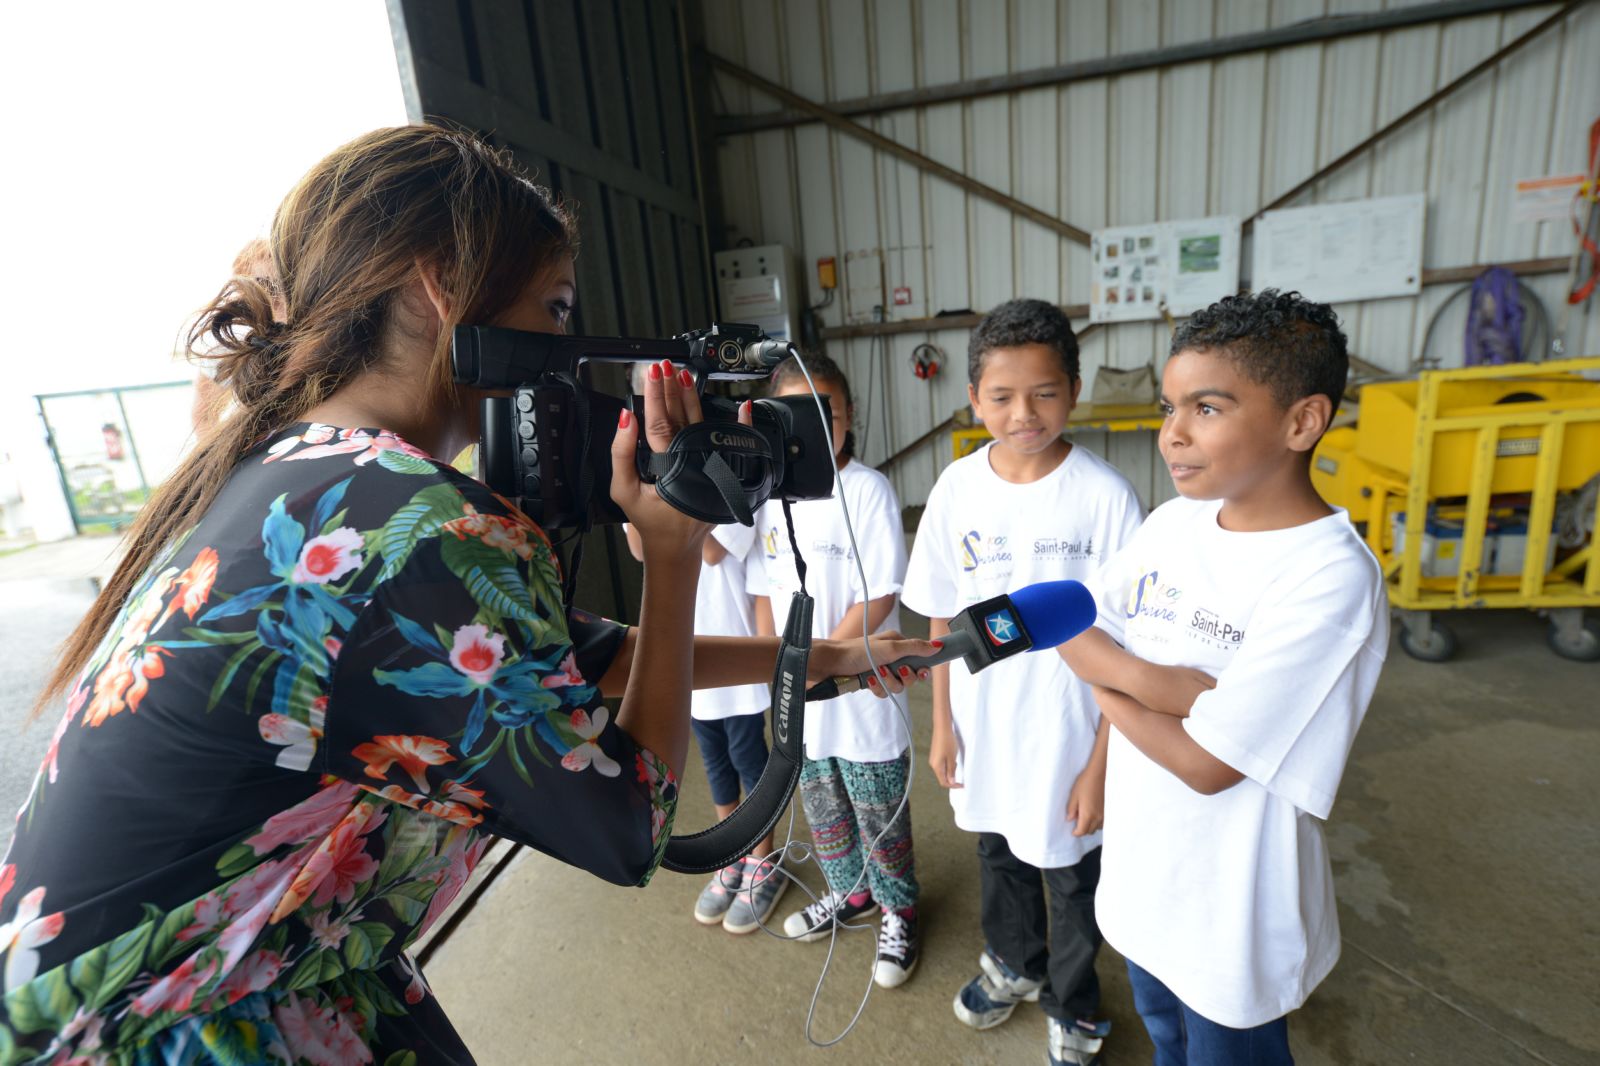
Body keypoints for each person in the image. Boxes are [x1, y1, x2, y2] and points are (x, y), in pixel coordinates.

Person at [0, 124, 929, 1064]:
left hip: (212, 990)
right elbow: (624, 829)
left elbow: (579, 657)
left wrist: (832, 657)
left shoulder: (307, 475)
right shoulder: (417, 519)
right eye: (555, 308)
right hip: (182, 1026)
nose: (563, 346)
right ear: (440, 284)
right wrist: (674, 551)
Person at [1064, 290, 1388, 1065]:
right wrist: (1167, 693)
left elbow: (1208, 764)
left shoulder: (1327, 577)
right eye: (1170, 407)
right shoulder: (1173, 523)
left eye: (1206, 408)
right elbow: (1080, 627)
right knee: (1165, 1037)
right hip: (1145, 875)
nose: (1172, 434)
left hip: (1228, 916)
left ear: (1302, 422)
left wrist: (1109, 681)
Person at [901, 299, 1142, 1066]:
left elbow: (1130, 642)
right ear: (974, 398)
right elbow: (942, 617)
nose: (1023, 414)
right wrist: (943, 724)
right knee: (998, 850)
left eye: (1043, 393)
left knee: (1072, 875)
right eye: (1002, 396)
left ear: (1073, 391)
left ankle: (1074, 1005)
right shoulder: (956, 489)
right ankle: (1014, 963)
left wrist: (1101, 766)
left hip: (1072, 734)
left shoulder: (1105, 497)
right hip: (986, 726)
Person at [746, 352, 922, 990]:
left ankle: (898, 909)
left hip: (860, 693)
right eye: (797, 416)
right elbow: (762, 590)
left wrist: (815, 665)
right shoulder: (771, 498)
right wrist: (776, 666)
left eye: (830, 414)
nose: (817, 430)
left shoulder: (867, 490)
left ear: (850, 417)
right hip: (801, 698)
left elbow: (877, 597)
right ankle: (851, 893)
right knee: (824, 809)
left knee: (879, 810)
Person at [621, 512, 780, 934]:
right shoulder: (660, 492)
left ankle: (763, 860)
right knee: (715, 765)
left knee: (750, 762)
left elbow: (710, 552)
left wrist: (671, 504)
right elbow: (639, 549)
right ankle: (732, 857)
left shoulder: (732, 490)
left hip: (735, 653)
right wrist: (641, 507)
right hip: (686, 652)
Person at [190, 238, 282, 434]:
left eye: (285, 288)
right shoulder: (227, 345)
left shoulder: (312, 335)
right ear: (242, 289)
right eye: (265, 287)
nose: (276, 301)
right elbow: (203, 416)